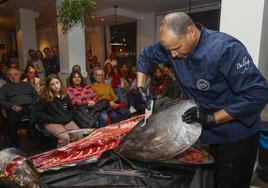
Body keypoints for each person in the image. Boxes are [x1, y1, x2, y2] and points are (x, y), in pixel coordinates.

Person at [136, 12, 268, 188]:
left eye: (177, 48)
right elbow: (145, 56)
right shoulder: (171, 47)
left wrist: (212, 117)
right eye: (169, 51)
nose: (173, 56)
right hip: (205, 132)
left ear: (191, 32)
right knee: (210, 181)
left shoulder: (225, 49)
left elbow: (257, 94)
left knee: (230, 182)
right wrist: (140, 86)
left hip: (236, 134)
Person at [35, 74, 81, 147]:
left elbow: (71, 109)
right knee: (64, 137)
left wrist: (68, 117)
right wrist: (53, 119)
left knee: (78, 134)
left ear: (60, 83)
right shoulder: (44, 97)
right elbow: (39, 114)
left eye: (57, 83)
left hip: (65, 119)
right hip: (52, 121)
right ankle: (62, 155)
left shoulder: (65, 95)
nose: (56, 86)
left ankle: (73, 152)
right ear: (49, 86)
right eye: (52, 84)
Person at [0, 67, 38, 147]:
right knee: (12, 120)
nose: (13, 77)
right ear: (7, 76)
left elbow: (35, 95)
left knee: (39, 114)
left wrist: (33, 104)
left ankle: (35, 135)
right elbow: (1, 100)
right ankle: (15, 143)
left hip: (30, 106)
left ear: (20, 75)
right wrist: (12, 106)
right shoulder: (5, 87)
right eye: (10, 75)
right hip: (15, 107)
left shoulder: (27, 85)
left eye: (15, 74)